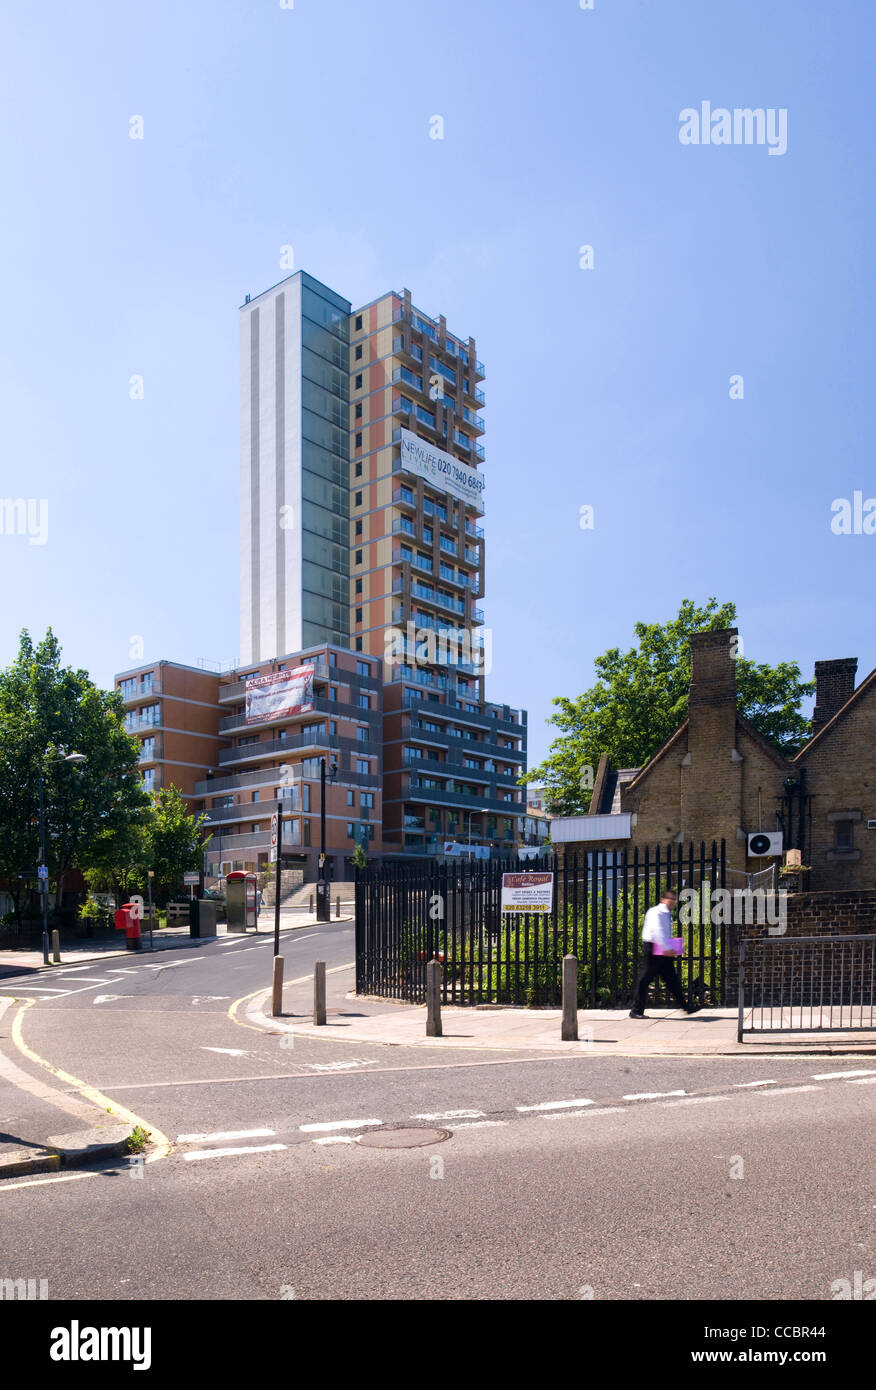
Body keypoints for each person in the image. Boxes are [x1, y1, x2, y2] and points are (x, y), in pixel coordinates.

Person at [630, 888, 699, 1018]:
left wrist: (669, 946)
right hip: (654, 949)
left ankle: (686, 1007)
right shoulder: (656, 912)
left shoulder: (667, 913)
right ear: (663, 899)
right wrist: (666, 947)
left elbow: (665, 933)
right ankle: (635, 1011)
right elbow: (657, 931)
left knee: (672, 980)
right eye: (671, 899)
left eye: (674, 899)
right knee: (644, 980)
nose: (673, 902)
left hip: (662, 950)